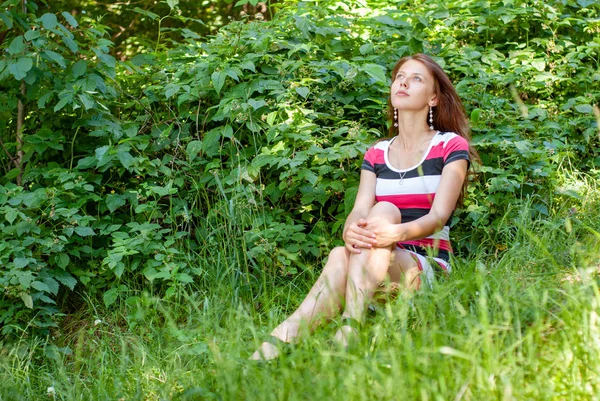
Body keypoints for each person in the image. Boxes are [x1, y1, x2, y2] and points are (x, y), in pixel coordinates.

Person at [250, 53, 477, 361]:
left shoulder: (450, 146)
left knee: (384, 211)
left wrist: (393, 233)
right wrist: (351, 229)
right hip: (371, 263)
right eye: (399, 77)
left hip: (425, 265)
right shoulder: (376, 153)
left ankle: (348, 325)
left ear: (434, 98)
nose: (404, 82)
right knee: (342, 251)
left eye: (416, 79)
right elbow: (359, 210)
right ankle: (276, 348)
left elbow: (438, 217)